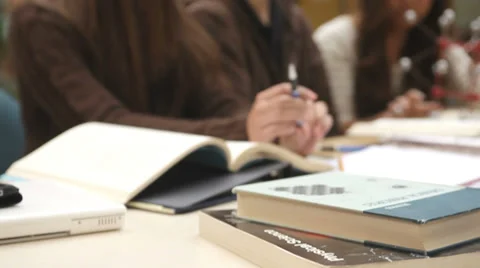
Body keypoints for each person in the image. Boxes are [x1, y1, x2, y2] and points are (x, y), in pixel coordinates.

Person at [7, 0, 333, 155]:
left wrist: (280, 131)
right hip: (74, 204)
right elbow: (101, 124)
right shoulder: (41, 20)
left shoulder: (171, 17)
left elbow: (222, 106)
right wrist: (246, 128)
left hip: (166, 197)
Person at [313, 0, 476, 133]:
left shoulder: (435, 40)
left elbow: (473, 94)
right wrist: (390, 120)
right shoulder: (336, 40)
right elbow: (337, 127)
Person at [185, 0, 337, 138]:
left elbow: (324, 103)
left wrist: (316, 117)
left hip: (294, 155)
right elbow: (230, 117)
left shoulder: (292, 17)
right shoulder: (208, 16)